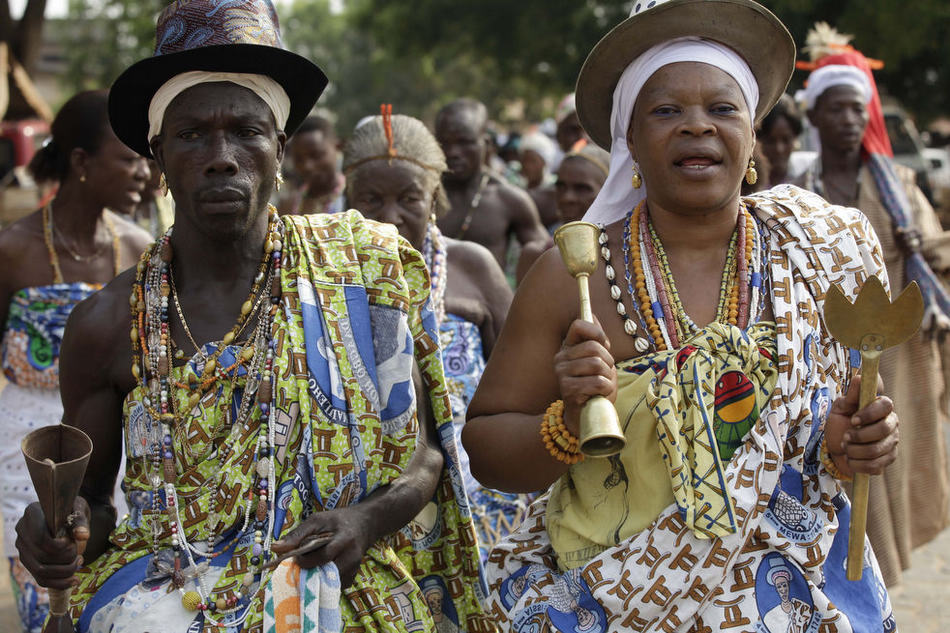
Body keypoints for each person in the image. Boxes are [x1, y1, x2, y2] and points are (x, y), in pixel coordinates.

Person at [12, 3, 491, 632]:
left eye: (245, 130)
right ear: (157, 155)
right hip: (167, 593)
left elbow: (424, 457)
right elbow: (97, 505)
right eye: (191, 135)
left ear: (280, 148)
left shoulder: (361, 272)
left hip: (346, 585)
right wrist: (62, 530)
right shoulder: (108, 322)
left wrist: (363, 520)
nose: (221, 156)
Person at [462, 0, 903, 630]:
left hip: (797, 596)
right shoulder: (573, 276)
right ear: (631, 140)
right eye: (666, 110)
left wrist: (848, 447)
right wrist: (567, 420)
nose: (697, 126)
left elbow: (837, 431)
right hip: (611, 601)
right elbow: (487, 449)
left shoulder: (818, 254)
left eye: (723, 109)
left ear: (752, 136)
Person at [342, 108, 532, 564]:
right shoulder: (321, 277)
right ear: (348, 196)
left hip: (481, 500)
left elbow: (525, 384)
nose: (390, 217)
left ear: (434, 197)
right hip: (367, 508)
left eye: (409, 198)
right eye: (371, 199)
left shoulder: (471, 266)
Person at [797, 23, 950, 587]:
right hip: (827, 350)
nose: (850, 121)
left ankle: (880, 580)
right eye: (836, 110)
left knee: (892, 459)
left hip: (901, 356)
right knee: (835, 460)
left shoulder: (901, 187)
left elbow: (938, 260)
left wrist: (917, 252)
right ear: (815, 117)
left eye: (858, 111)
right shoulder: (799, 190)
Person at [0, 89, 151, 633]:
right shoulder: (13, 250)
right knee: (46, 583)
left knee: (106, 588)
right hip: (25, 448)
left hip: (112, 451)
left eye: (147, 159)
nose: (145, 173)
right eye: (129, 158)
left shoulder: (139, 251)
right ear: (83, 163)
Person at [435, 98, 548, 269]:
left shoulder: (507, 198)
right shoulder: (422, 196)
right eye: (444, 143)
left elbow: (545, 255)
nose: (453, 152)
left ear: (486, 143)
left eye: (464, 142)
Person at [515, 141, 610, 284]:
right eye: (561, 187)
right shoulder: (536, 255)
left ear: (608, 193)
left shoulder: (626, 258)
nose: (567, 198)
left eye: (582, 188)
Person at [276, 115, 345, 215]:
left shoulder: (354, 197)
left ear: (337, 147)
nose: (307, 166)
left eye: (316, 155)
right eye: (299, 159)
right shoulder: (287, 207)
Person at [757, 94, 803, 186]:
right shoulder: (745, 183)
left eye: (786, 140)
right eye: (770, 141)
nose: (779, 149)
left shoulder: (807, 176)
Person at [519, 131, 560, 228]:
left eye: (532, 161)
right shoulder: (518, 186)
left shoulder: (554, 188)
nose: (527, 166)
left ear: (545, 163)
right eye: (524, 160)